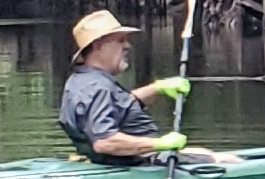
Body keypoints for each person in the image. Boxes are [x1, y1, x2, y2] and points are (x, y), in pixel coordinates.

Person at [56, 9, 191, 163]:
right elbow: (104, 142)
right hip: (142, 163)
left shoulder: (82, 81)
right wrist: (158, 144)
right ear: (98, 46)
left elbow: (121, 107)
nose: (127, 46)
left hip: (134, 160)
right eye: (120, 40)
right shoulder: (98, 87)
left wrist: (158, 88)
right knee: (219, 160)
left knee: (200, 153)